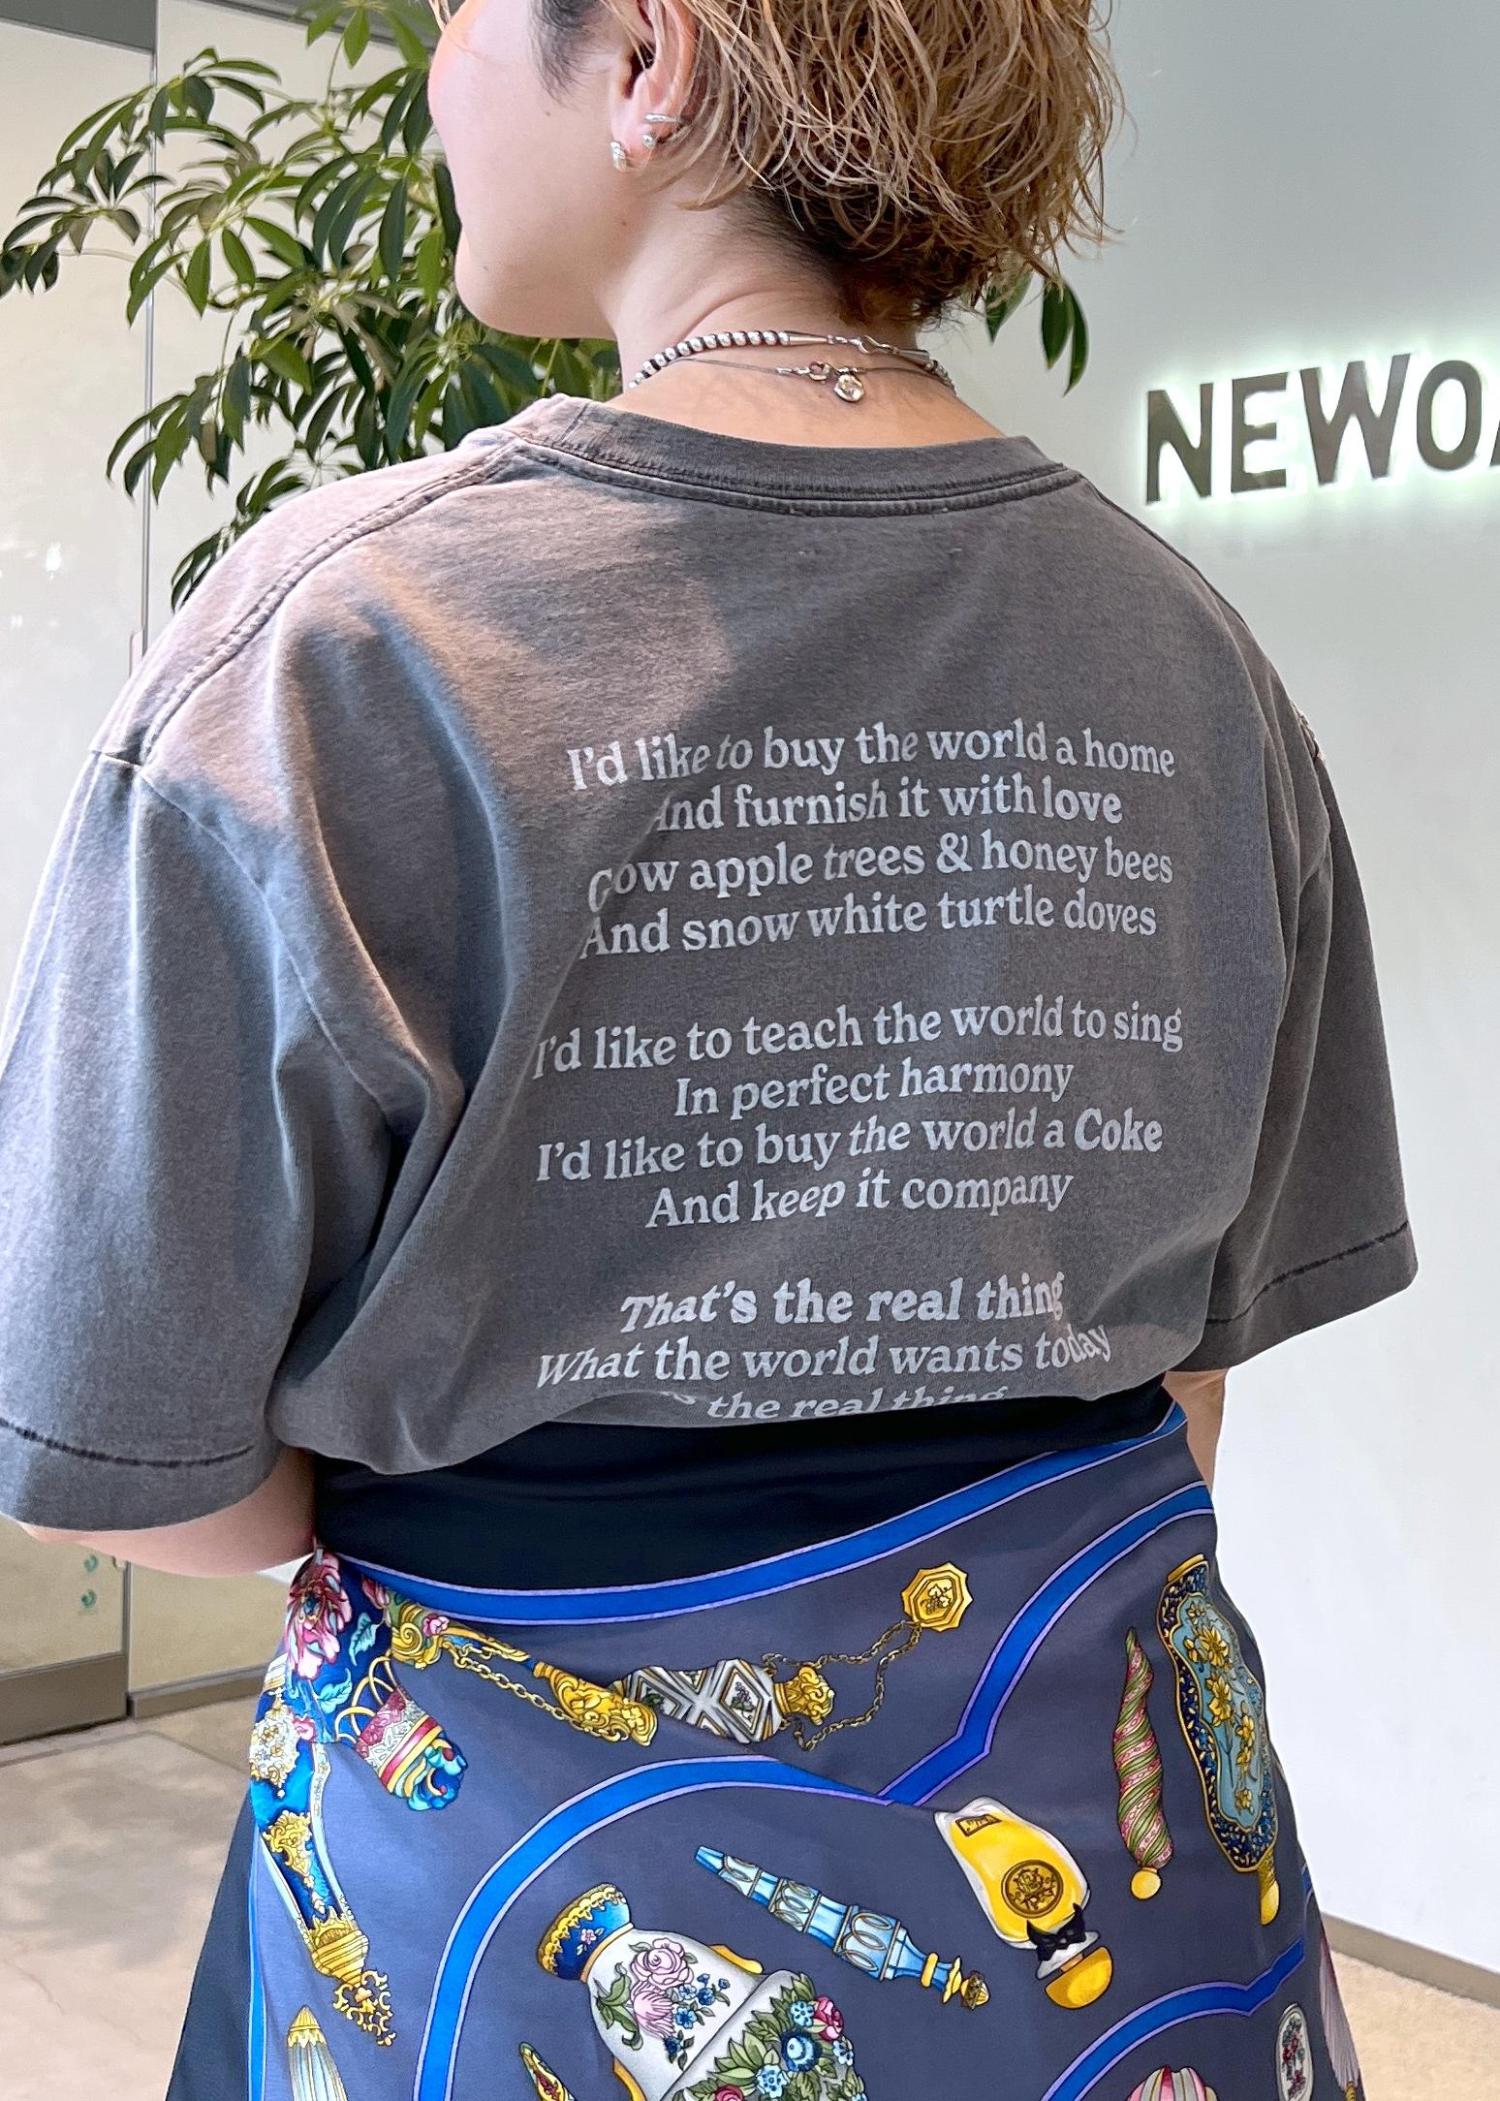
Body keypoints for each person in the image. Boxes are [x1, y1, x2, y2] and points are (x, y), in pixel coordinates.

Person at [0, 0, 1416, 2092]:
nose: (434, 68)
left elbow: (134, 1462)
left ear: (649, 59)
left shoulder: (331, 644)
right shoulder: (1195, 654)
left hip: (524, 1921)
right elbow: (1192, 1366)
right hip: (1123, 1932)